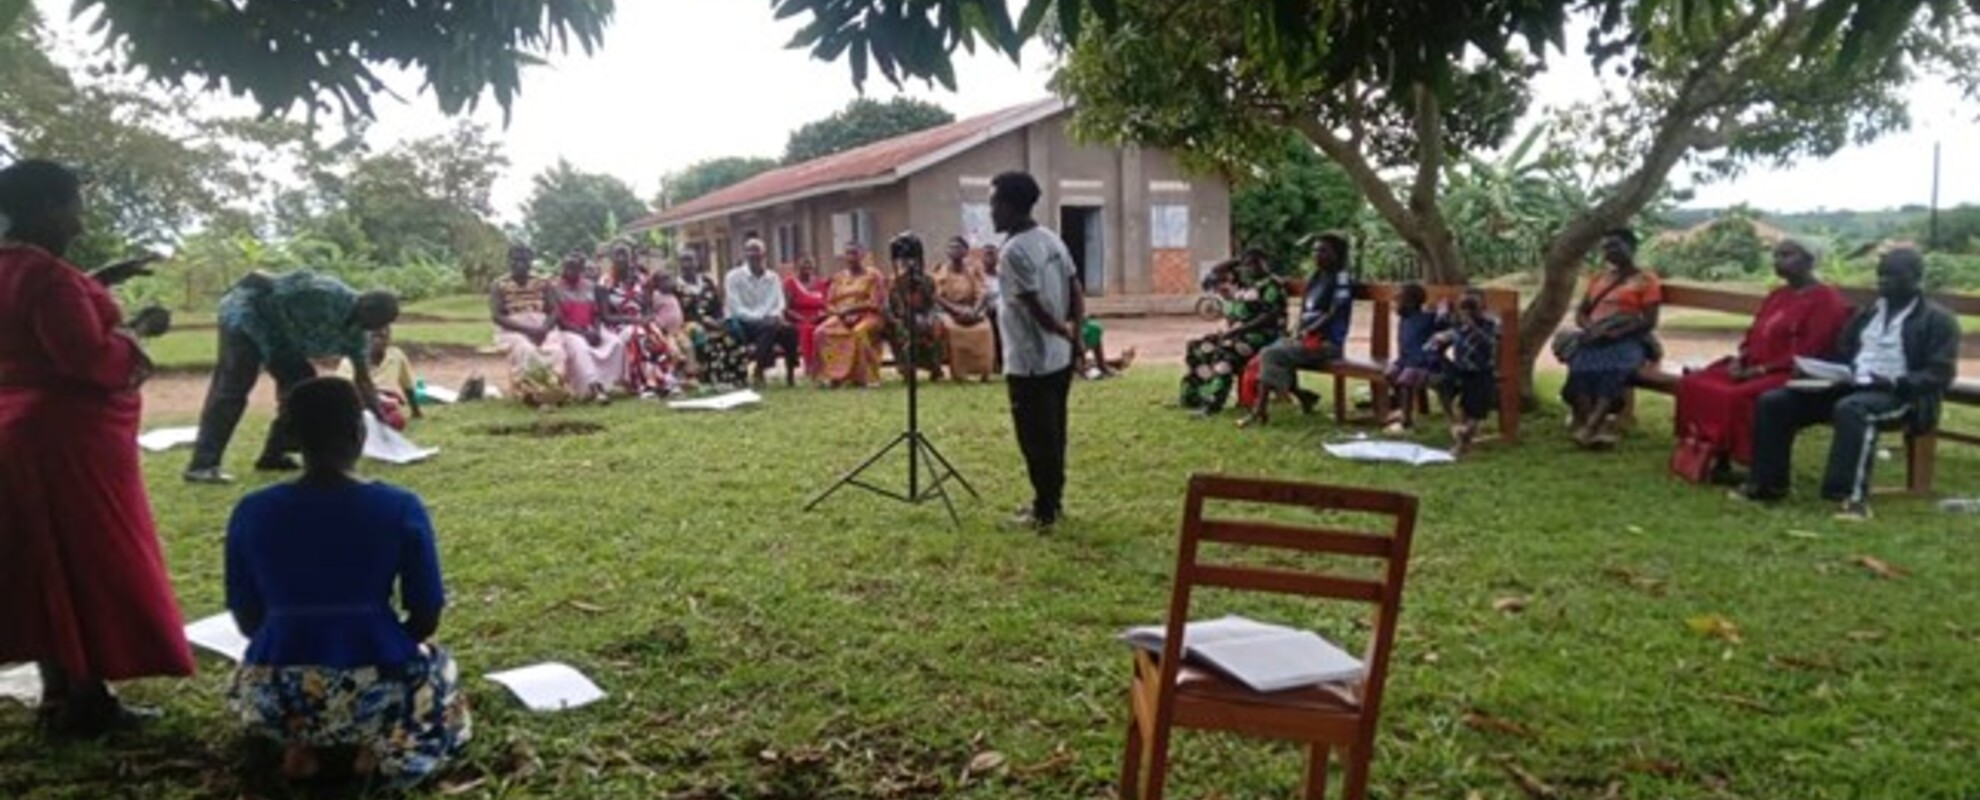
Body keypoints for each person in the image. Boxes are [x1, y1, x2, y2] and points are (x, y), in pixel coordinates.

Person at [0, 159, 194, 737]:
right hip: (64, 443)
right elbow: (85, 358)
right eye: (73, 208)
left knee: (41, 562)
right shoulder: (51, 278)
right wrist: (137, 333)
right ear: (46, 208)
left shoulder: (19, 267)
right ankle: (87, 700)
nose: (79, 223)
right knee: (88, 561)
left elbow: (28, 327)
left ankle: (60, 690)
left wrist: (96, 282)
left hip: (14, 430)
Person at [225, 377, 470, 787]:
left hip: (277, 689)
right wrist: (387, 640)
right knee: (439, 670)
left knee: (246, 678)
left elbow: (247, 617)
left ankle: (299, 747)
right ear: (360, 432)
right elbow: (426, 612)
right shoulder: (399, 507)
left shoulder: (252, 511)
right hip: (377, 679)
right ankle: (370, 751)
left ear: (292, 437)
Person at [1734, 248, 1961, 520]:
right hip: (1852, 385)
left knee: (1853, 409)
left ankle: (1851, 499)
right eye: (1880, 276)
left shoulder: (1937, 320)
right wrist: (1822, 372)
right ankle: (1767, 485)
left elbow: (1940, 374)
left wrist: (1895, 382)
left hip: (1901, 396)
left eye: (1892, 276)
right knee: (1775, 401)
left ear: (1915, 278)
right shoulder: (1869, 314)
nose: (1883, 282)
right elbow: (1843, 350)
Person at [186, 270, 400, 484]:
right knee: (233, 388)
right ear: (367, 307)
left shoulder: (356, 334)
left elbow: (362, 380)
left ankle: (274, 455)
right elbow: (261, 280)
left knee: (304, 389)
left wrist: (380, 418)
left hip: (280, 342)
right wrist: (239, 288)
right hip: (245, 319)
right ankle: (203, 465)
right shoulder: (322, 292)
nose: (378, 329)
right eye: (378, 322)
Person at [1672, 239, 1852, 478]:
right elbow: (1755, 332)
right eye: (1776, 255)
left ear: (1809, 261)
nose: (1778, 261)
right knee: (1694, 382)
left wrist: (1760, 370)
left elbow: (1813, 350)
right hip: (1753, 366)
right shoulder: (1778, 295)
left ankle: (1745, 463)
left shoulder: (1825, 299)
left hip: (1791, 372)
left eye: (1787, 255)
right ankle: (1705, 450)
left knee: (1736, 396)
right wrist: (1742, 358)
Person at [992, 171, 1079, 531]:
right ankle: (1053, 501)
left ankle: (1044, 509)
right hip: (1057, 359)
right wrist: (1076, 335)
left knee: (1035, 438)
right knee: (1054, 432)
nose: (991, 211)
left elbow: (1036, 307)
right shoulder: (1051, 239)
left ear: (1011, 206)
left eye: (994, 204)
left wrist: (1063, 331)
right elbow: (1076, 287)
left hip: (1030, 363)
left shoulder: (1013, 252)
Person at [1557, 228, 1662, 449]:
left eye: (1615, 245)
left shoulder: (1647, 280)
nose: (1609, 251)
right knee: (1580, 366)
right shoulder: (1599, 278)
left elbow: (1649, 321)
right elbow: (1581, 313)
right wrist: (1592, 328)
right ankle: (1594, 426)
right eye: (1605, 247)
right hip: (1595, 337)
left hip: (1628, 338)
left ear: (1631, 248)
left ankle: (1590, 427)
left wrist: (1615, 333)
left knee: (1615, 369)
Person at [1181, 248, 1286, 417]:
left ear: (1265, 262)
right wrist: (1240, 259)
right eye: (1247, 265)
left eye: (1255, 263)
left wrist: (1238, 331)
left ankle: (1213, 403)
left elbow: (1269, 316)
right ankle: (1195, 396)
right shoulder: (1247, 283)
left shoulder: (1272, 284)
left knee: (1225, 351)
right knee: (1197, 347)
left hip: (1263, 337)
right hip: (1239, 334)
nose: (1251, 267)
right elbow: (1216, 270)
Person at [489, 244, 572, 407]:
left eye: (524, 260)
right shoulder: (499, 284)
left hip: (542, 327)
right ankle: (530, 391)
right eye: (515, 260)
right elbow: (497, 316)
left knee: (556, 350)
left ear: (530, 262)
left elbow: (555, 310)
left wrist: (544, 329)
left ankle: (553, 388)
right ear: (509, 262)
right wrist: (528, 330)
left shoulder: (543, 282)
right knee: (525, 349)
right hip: (512, 329)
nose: (520, 264)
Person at [549, 250, 627, 405]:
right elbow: (559, 320)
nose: (571, 271)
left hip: (591, 327)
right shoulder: (554, 288)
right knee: (580, 347)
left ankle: (610, 384)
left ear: (581, 269)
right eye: (568, 267)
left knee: (616, 343)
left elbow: (597, 313)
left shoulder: (590, 286)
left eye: (575, 267)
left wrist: (597, 331)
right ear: (562, 268)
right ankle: (594, 387)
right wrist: (583, 333)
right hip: (568, 331)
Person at [1428, 288, 1499, 455]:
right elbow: (1442, 326)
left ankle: (1463, 441)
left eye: (1473, 306)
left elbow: (1488, 343)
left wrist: (1472, 325)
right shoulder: (1458, 323)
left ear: (1483, 307)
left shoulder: (1490, 323)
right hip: (1461, 369)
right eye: (1464, 306)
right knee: (1440, 383)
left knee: (1474, 409)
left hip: (1481, 371)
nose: (1468, 311)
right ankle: (1455, 426)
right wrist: (1443, 313)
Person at [602, 246, 681, 398]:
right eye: (617, 256)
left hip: (641, 321)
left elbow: (648, 307)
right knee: (637, 334)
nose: (621, 259)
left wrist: (648, 318)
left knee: (655, 334)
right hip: (617, 325)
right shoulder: (605, 282)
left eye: (624, 255)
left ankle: (665, 380)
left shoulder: (642, 280)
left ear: (631, 258)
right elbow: (606, 316)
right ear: (611, 260)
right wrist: (634, 320)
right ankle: (643, 385)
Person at [724, 238, 797, 387]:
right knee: (769, 326)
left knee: (790, 330)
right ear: (744, 254)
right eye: (749, 250)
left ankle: (790, 375)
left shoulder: (773, 277)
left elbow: (779, 303)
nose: (753, 254)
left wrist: (775, 316)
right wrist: (761, 319)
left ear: (764, 254)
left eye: (757, 250)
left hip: (769, 322)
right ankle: (760, 370)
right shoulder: (733, 277)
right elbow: (736, 307)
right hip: (744, 323)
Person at [817, 242, 888, 388]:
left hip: (869, 316)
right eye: (848, 254)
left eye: (854, 253)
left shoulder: (874, 275)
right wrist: (840, 314)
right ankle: (833, 375)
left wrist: (851, 311)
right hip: (841, 316)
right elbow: (829, 303)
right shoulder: (839, 277)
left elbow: (876, 303)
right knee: (821, 332)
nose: (851, 257)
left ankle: (868, 377)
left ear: (863, 256)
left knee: (858, 332)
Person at [678, 250, 749, 388]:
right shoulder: (676, 286)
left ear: (697, 262)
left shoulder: (707, 281)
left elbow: (717, 305)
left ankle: (735, 378)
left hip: (713, 323)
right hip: (689, 326)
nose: (687, 264)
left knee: (732, 337)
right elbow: (678, 311)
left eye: (690, 260)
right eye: (683, 261)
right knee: (707, 339)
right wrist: (703, 320)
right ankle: (713, 379)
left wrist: (718, 320)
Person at [934, 236, 997, 382]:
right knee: (953, 329)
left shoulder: (973, 271)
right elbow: (937, 297)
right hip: (949, 312)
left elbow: (982, 293)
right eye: (951, 248)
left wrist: (974, 311)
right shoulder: (941, 272)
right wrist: (956, 310)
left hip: (971, 310)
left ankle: (984, 370)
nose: (954, 251)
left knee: (985, 328)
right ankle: (959, 371)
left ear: (965, 251)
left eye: (958, 248)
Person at [334, 327, 420, 429]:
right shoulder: (351, 359)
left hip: (388, 398)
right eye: (374, 336)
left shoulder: (396, 355)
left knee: (397, 420)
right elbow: (343, 388)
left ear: (389, 339)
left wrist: (416, 411)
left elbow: (407, 385)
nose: (378, 341)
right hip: (363, 398)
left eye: (383, 337)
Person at [1383, 283, 1441, 433]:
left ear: (1411, 303)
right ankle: (1402, 409)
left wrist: (1443, 310)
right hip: (1405, 359)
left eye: (1398, 300)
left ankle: (1406, 422)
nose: (1395, 304)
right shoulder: (1404, 319)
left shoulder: (1427, 319)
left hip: (1423, 362)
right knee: (1389, 373)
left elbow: (1444, 323)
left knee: (1405, 379)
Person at [887, 242, 948, 382]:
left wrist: (921, 285)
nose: (911, 264)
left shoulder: (928, 279)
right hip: (903, 316)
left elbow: (932, 301)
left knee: (937, 326)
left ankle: (935, 367)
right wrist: (902, 316)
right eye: (907, 261)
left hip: (926, 314)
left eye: (914, 260)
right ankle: (907, 369)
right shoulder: (895, 280)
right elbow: (893, 304)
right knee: (901, 330)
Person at [783, 254, 831, 381]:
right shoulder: (790, 283)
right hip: (798, 320)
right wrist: (801, 318)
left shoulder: (821, 283)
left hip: (819, 319)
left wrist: (821, 316)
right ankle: (810, 368)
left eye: (810, 264)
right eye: (804, 264)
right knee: (808, 329)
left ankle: (828, 369)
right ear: (797, 267)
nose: (807, 267)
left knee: (826, 330)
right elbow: (786, 309)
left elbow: (826, 306)